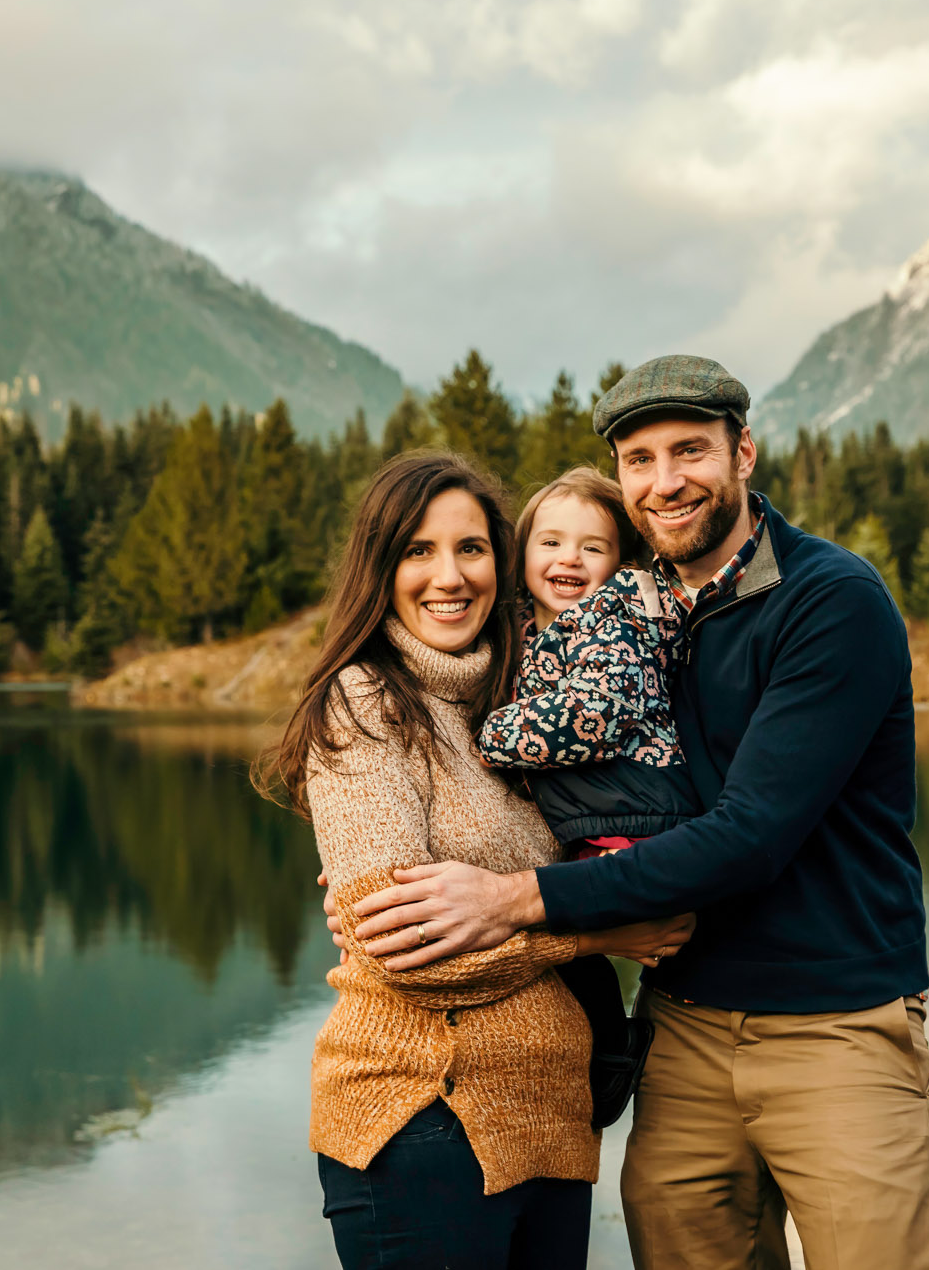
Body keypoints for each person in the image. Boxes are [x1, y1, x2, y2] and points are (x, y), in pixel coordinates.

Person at [346, 359, 929, 1270]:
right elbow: (556, 778)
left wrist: (511, 900)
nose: (665, 481)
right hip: (684, 1027)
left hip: (837, 1027)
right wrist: (380, 864)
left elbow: (750, 835)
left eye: (691, 451)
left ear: (744, 453)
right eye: (639, 459)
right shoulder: (634, 610)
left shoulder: (829, 601)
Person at [255, 451, 694, 1270]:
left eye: (470, 548)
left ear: (505, 561)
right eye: (417, 550)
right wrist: (593, 935)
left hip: (554, 1126)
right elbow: (407, 951)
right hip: (422, 1120)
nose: (448, 575)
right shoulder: (365, 702)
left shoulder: (524, 702)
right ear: (378, 570)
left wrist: (531, 900)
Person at [478, 465, 702, 1127]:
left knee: (572, 928)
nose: (568, 558)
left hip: (637, 807)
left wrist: (487, 736)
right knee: (560, 936)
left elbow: (597, 715)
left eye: (591, 547)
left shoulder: (615, 615)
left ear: (621, 561)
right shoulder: (516, 623)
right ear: (522, 552)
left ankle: (609, 1055)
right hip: (592, 813)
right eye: (549, 542)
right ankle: (596, 1053)